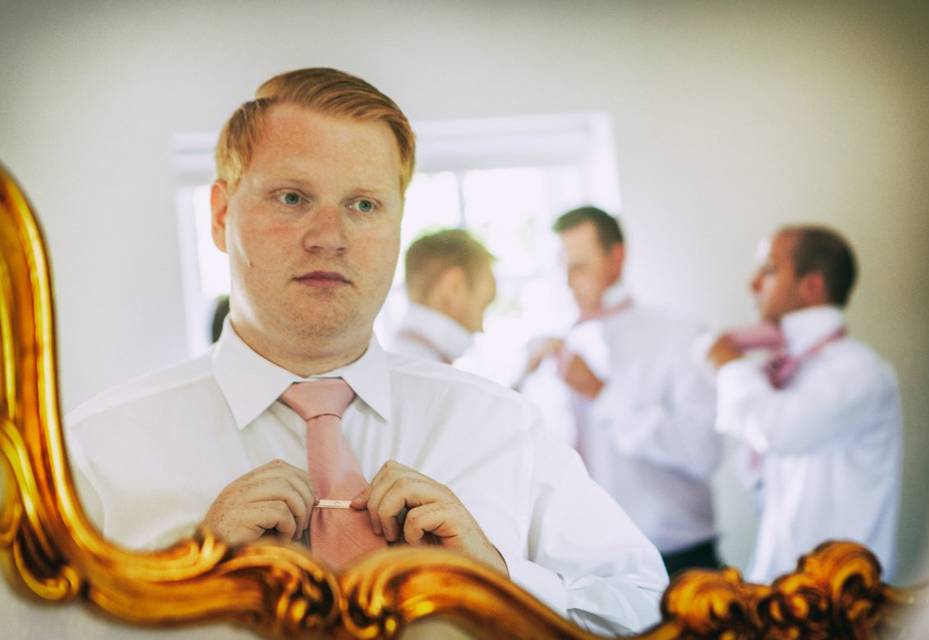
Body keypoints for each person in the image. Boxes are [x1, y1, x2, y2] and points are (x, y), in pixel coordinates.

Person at [65, 68, 667, 635]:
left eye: (364, 205)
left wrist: (497, 584)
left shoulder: (502, 426)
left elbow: (646, 610)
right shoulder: (97, 450)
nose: (330, 238)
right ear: (222, 215)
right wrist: (182, 585)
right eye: (292, 198)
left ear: (398, 223)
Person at [522, 206, 723, 576]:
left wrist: (601, 393)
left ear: (616, 259)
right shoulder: (553, 346)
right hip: (588, 567)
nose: (568, 281)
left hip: (677, 562)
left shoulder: (680, 335)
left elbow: (704, 450)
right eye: (563, 267)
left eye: (580, 267)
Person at [706, 225, 902, 583]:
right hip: (782, 589)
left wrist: (730, 364)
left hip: (839, 604)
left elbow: (773, 430)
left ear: (811, 286)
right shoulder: (787, 368)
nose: (752, 285)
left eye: (768, 270)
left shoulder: (857, 370)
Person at [390, 229, 495, 364]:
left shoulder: (393, 363)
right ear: (454, 287)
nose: (481, 329)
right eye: (483, 306)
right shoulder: (429, 374)